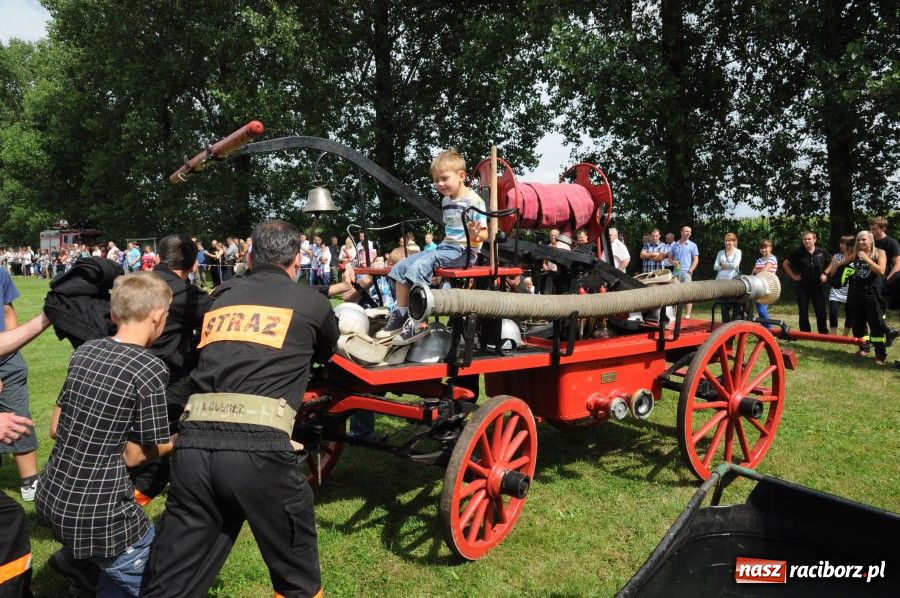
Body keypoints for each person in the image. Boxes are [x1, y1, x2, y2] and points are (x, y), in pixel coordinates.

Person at [144, 219, 339, 598]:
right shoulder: (312, 302)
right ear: (298, 259)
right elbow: (326, 351)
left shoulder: (222, 295)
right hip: (261, 452)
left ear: (250, 256)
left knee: (173, 581)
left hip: (192, 448)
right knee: (298, 581)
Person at [36, 272, 175, 597]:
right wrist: (180, 440)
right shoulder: (150, 367)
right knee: (158, 583)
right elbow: (136, 454)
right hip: (101, 514)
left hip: (53, 496)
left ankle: (83, 571)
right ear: (158, 317)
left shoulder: (85, 352)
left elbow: (55, 428)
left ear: (114, 315)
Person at [130, 235, 214, 506]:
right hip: (161, 378)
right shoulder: (181, 292)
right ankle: (128, 505)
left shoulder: (140, 282)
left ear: (158, 257)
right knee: (157, 452)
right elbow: (215, 312)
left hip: (125, 366)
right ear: (192, 263)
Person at [377, 149, 488, 340]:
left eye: (444, 178)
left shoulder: (473, 201)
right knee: (402, 265)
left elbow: (485, 234)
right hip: (446, 248)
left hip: (464, 251)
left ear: (461, 176)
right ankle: (401, 314)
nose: (440, 184)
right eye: (436, 180)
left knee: (421, 265)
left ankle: (417, 320)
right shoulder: (446, 200)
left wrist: (476, 234)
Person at [0, 267, 39, 502]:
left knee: (18, 416)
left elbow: (7, 312)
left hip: (8, 359)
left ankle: (30, 482)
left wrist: (14, 352)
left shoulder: (1, 274)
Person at [840, 230, 889, 364]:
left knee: (876, 323)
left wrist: (867, 259)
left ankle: (880, 354)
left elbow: (881, 271)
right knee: (858, 322)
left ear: (871, 240)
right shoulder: (855, 254)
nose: (861, 242)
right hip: (856, 293)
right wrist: (830, 272)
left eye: (864, 240)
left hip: (873, 293)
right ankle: (864, 348)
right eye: (859, 240)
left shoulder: (880, 252)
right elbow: (841, 264)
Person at [783, 230, 830, 334]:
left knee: (821, 311)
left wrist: (825, 273)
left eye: (809, 239)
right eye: (805, 239)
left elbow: (832, 261)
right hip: (802, 287)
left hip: (817, 286)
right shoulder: (798, 253)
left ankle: (823, 333)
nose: (807, 241)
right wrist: (793, 276)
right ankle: (805, 333)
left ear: (814, 239)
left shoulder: (822, 252)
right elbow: (785, 264)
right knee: (803, 311)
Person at [869, 216, 900, 344]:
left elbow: (898, 264)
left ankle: (886, 335)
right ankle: (885, 333)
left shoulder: (891, 243)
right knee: (873, 309)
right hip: (872, 279)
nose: (871, 231)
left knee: (878, 309)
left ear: (883, 229)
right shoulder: (871, 242)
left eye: (874, 229)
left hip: (886, 279)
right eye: (870, 228)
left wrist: (886, 281)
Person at [668, 225, 700, 318]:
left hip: (686, 273)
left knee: (688, 294)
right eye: (686, 231)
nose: (688, 233)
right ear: (681, 232)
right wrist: (673, 262)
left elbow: (696, 260)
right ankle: (673, 315)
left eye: (690, 232)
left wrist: (690, 271)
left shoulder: (693, 245)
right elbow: (670, 258)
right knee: (674, 294)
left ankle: (687, 315)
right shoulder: (675, 245)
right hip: (675, 273)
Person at [828, 235, 855, 336]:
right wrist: (837, 264)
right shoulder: (836, 256)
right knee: (833, 311)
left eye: (844, 243)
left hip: (850, 290)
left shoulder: (856, 257)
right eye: (841, 243)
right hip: (836, 289)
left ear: (850, 245)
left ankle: (844, 336)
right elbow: (832, 274)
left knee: (850, 314)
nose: (841, 245)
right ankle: (833, 336)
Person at [713, 232, 742, 322]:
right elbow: (715, 267)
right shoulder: (720, 252)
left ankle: (735, 325)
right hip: (721, 281)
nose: (727, 243)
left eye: (729, 241)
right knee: (724, 306)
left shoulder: (738, 252)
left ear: (734, 242)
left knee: (735, 304)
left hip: (733, 281)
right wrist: (724, 266)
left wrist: (723, 265)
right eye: (726, 240)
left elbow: (735, 265)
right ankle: (725, 325)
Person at [752, 239, 778, 328]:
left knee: (762, 310)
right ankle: (765, 329)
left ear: (770, 248)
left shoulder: (772, 258)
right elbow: (753, 272)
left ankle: (770, 330)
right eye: (762, 248)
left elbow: (764, 270)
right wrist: (757, 271)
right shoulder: (759, 260)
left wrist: (757, 270)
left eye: (765, 247)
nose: (763, 250)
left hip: (768, 287)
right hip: (758, 286)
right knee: (760, 310)